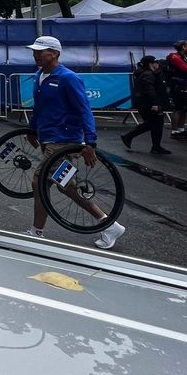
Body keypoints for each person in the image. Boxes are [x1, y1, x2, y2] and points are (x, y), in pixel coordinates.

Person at [25, 35, 125, 249]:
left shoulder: (68, 78)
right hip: (47, 138)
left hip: (64, 142)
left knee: (39, 182)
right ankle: (109, 224)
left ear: (54, 53)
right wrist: (32, 129)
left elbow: (84, 110)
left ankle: (36, 232)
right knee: (65, 186)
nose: (35, 55)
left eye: (40, 52)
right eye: (34, 51)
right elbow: (39, 106)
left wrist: (90, 143)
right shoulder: (39, 75)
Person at [120, 56, 171, 155]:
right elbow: (149, 89)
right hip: (147, 103)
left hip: (144, 102)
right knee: (154, 123)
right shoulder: (148, 74)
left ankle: (155, 146)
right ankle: (129, 136)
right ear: (151, 64)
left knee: (155, 123)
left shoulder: (144, 73)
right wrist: (155, 103)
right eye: (155, 62)